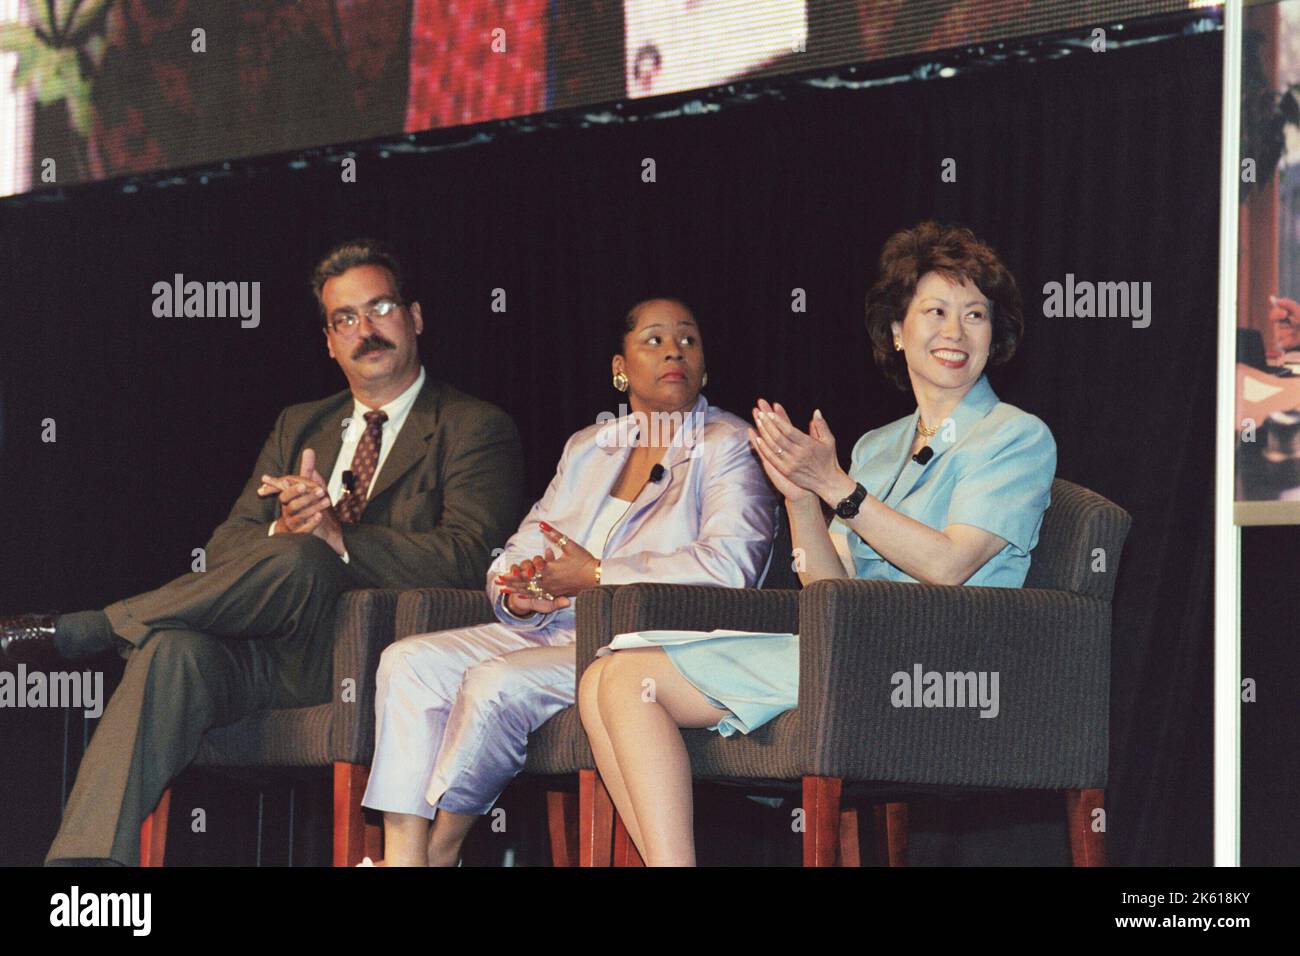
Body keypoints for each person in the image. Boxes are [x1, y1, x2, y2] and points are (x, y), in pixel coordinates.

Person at [0, 239, 524, 866]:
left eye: (379, 308)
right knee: (172, 650)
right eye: (344, 319)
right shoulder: (299, 425)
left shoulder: (474, 426)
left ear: (414, 317)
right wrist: (283, 526)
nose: (365, 330)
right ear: (329, 342)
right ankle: (84, 876)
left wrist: (336, 538)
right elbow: (226, 548)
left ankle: (95, 627)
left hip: (368, 658)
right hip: (262, 650)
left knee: (308, 558)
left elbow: (472, 556)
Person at [578, 221, 1058, 866]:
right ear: (896, 330)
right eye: (936, 311)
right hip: (854, 643)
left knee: (633, 678)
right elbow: (827, 588)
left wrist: (837, 487)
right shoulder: (878, 446)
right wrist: (801, 497)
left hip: (938, 662)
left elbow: (948, 566)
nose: (955, 332)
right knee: (603, 677)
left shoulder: (1014, 436)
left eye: (976, 315)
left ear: (995, 334)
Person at [360, 297, 778, 866]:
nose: (674, 350)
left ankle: (439, 852)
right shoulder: (589, 446)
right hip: (551, 628)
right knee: (406, 662)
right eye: (653, 340)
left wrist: (599, 577)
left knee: (494, 682)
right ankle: (403, 853)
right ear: (620, 367)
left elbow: (732, 570)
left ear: (705, 365)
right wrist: (519, 591)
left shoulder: (727, 446)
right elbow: (527, 541)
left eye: (689, 339)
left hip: (636, 648)